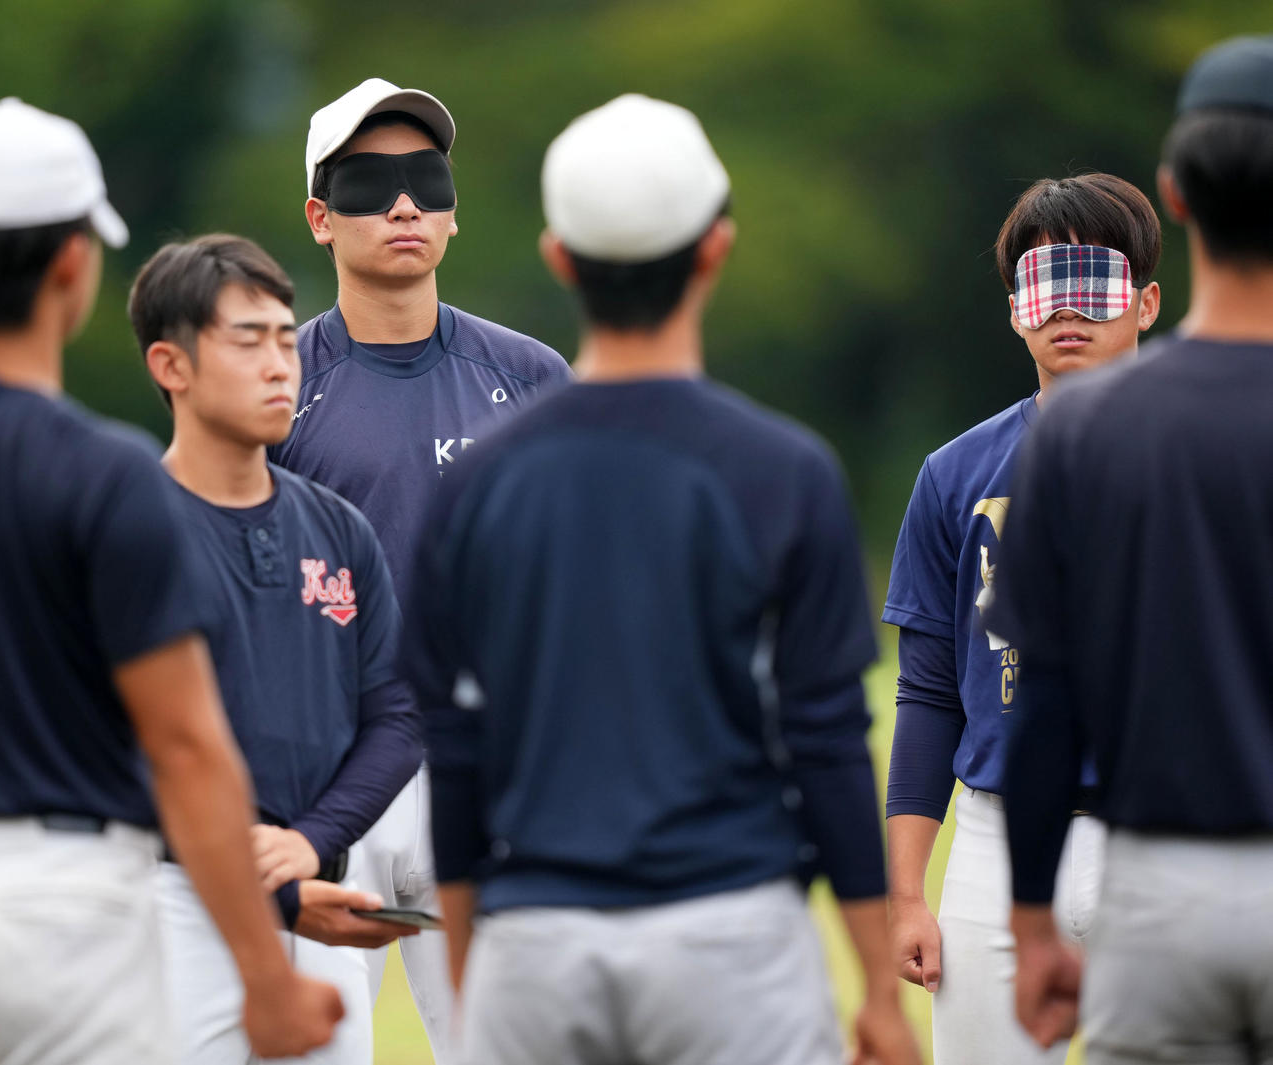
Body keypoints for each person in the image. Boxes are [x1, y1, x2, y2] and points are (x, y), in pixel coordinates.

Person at [406, 92, 922, 1065]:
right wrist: (880, 997)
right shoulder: (782, 471)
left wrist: (480, 978)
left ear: (559, 258)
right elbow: (824, 740)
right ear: (715, 249)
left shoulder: (474, 484)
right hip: (729, 938)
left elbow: (457, 751)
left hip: (536, 938)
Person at [0, 99, 341, 1065]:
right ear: (71, 266)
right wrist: (268, 975)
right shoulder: (102, 472)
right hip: (65, 906)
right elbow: (185, 744)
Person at [270, 78, 572, 1057]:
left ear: (450, 208)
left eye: (424, 181)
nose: (402, 205)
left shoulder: (530, 378)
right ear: (319, 217)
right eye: (368, 184)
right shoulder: (276, 386)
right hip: (324, 780)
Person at [989, 34, 1273, 1065]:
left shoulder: (1083, 427)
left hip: (1159, 886)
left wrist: (1028, 922)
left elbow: (1046, 699)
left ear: (1177, 196)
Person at [128, 233, 429, 1064]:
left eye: (285, 337)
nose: (279, 363)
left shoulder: (339, 528)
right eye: (246, 339)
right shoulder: (126, 531)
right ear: (171, 366)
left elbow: (398, 712)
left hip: (322, 891)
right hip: (169, 898)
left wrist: (309, 842)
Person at [882, 173, 1161, 1064]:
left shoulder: (1213, 455)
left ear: (1147, 300)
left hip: (1168, 833)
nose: (1067, 310)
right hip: (994, 845)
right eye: (1044, 284)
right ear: (1013, 310)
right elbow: (929, 693)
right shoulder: (956, 475)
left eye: (1096, 281)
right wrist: (905, 892)